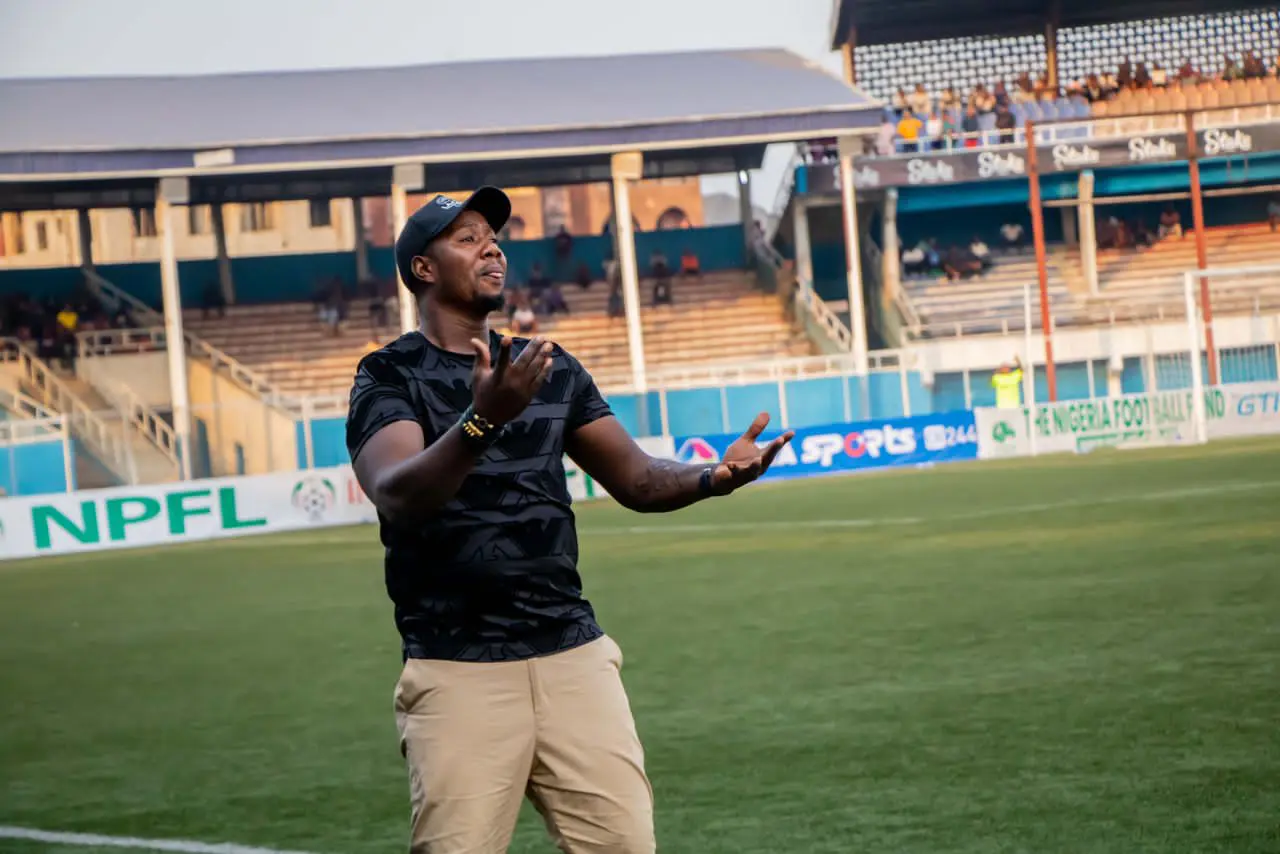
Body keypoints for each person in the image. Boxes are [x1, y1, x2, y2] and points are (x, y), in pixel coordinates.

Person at [347, 187, 793, 854]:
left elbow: (637, 477)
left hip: (573, 657)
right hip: (458, 669)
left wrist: (711, 479)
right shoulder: (387, 375)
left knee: (625, 846)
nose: (492, 246)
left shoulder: (546, 370)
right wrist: (483, 420)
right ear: (423, 269)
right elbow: (398, 491)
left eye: (493, 236)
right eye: (466, 238)